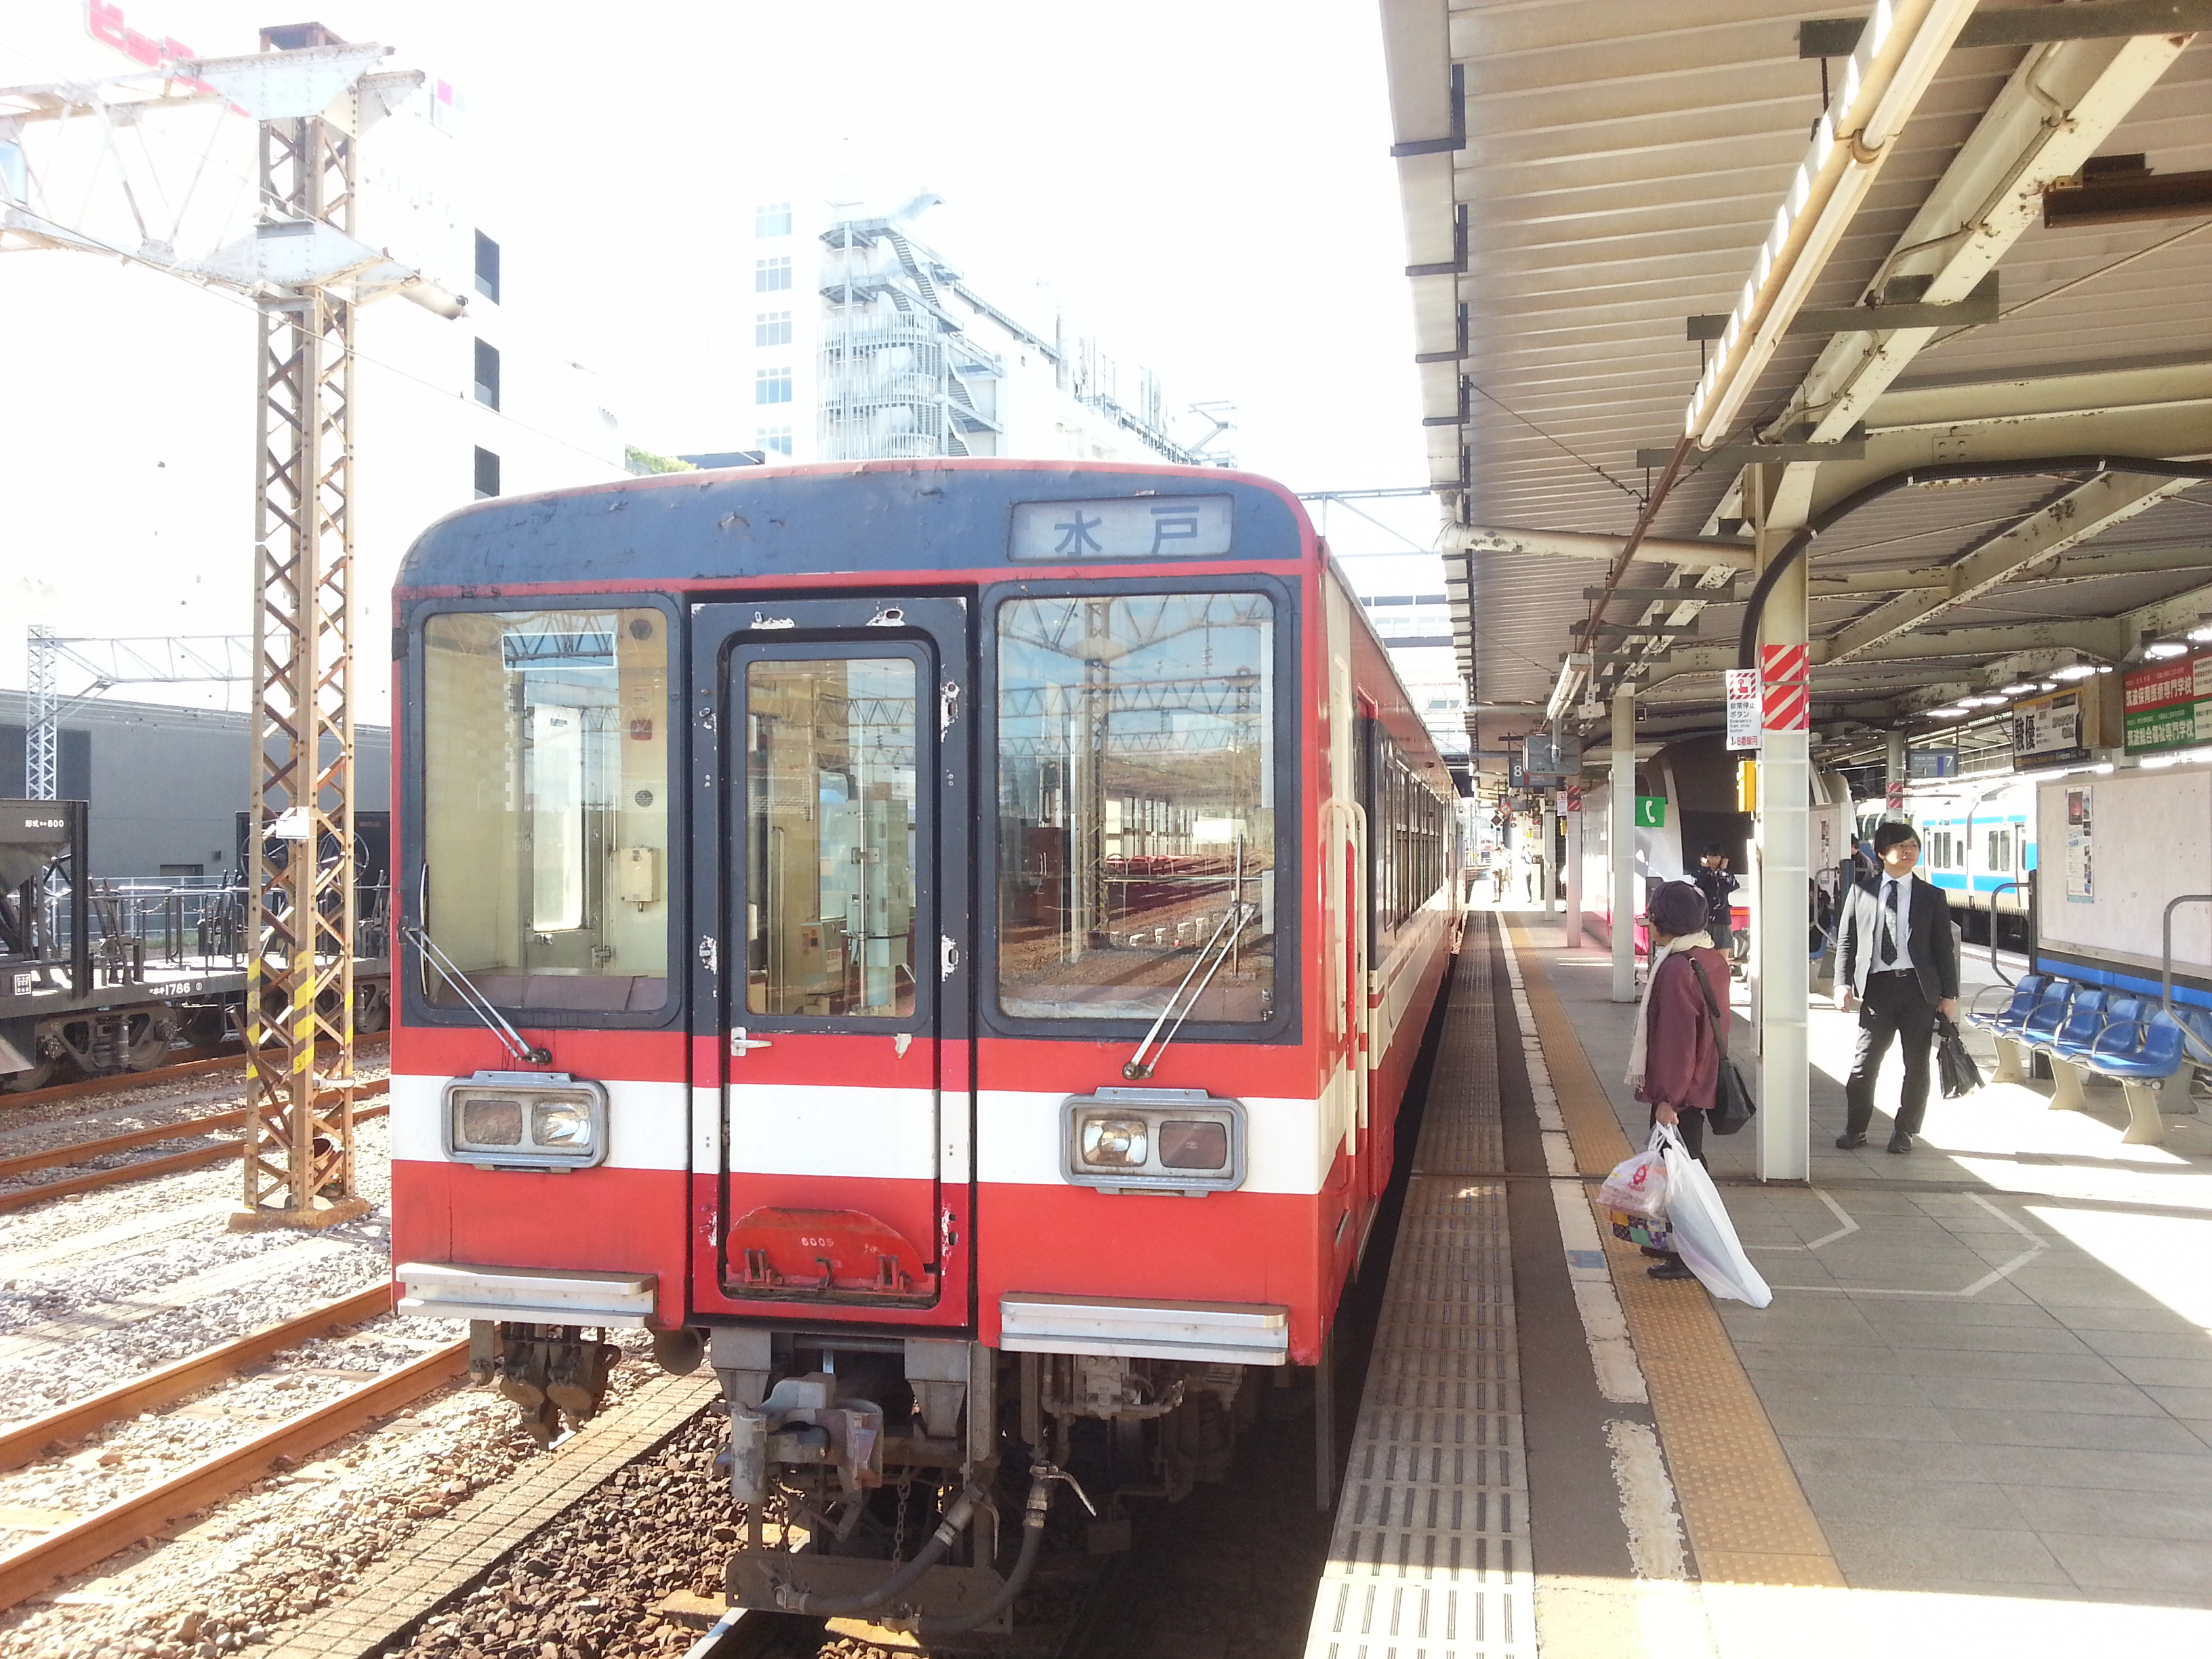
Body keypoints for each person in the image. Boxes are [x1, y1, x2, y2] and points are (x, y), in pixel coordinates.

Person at [1833, 821, 1959, 1153]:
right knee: (1864, 1064)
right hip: (1877, 990)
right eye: (1900, 846)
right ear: (1881, 852)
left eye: (1913, 846)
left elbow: (1943, 948)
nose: (1908, 852)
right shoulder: (1861, 892)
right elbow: (1847, 941)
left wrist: (1949, 995)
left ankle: (1905, 1131)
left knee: (1916, 1065)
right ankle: (1856, 1129)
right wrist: (1841, 983)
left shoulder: (1931, 896)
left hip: (1918, 991)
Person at [1626, 881, 1730, 1282]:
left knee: (1682, 1173)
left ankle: (1689, 1252)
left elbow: (1677, 1039)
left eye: (1653, 916)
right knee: (1680, 1164)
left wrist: (1668, 1099)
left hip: (1681, 1089)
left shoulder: (1674, 968)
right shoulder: (1709, 957)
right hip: (1701, 1079)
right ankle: (1667, 1240)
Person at [1691, 844, 1739, 957]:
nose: (1713, 860)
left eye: (1717, 857)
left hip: (1722, 919)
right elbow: (1698, 885)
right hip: (1704, 920)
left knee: (1722, 956)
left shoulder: (1725, 875)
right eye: (1710, 856)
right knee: (1703, 957)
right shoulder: (1699, 873)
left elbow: (1733, 885)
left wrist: (1723, 870)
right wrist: (1705, 869)